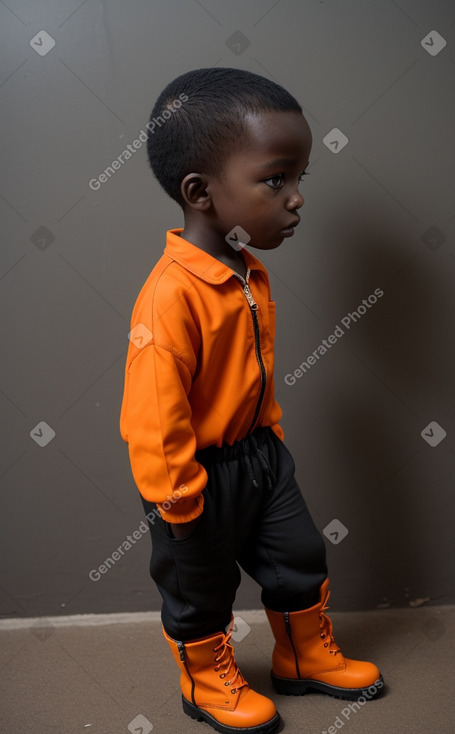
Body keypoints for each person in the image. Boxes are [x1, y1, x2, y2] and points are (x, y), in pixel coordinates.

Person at [120, 67, 383, 734]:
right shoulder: (170, 295)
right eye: (275, 180)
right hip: (193, 476)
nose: (295, 199)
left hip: (261, 457)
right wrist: (178, 499)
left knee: (297, 555)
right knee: (199, 588)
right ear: (200, 193)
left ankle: (302, 655)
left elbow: (249, 375)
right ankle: (205, 680)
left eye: (299, 179)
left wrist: (269, 442)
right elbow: (152, 416)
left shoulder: (247, 270)